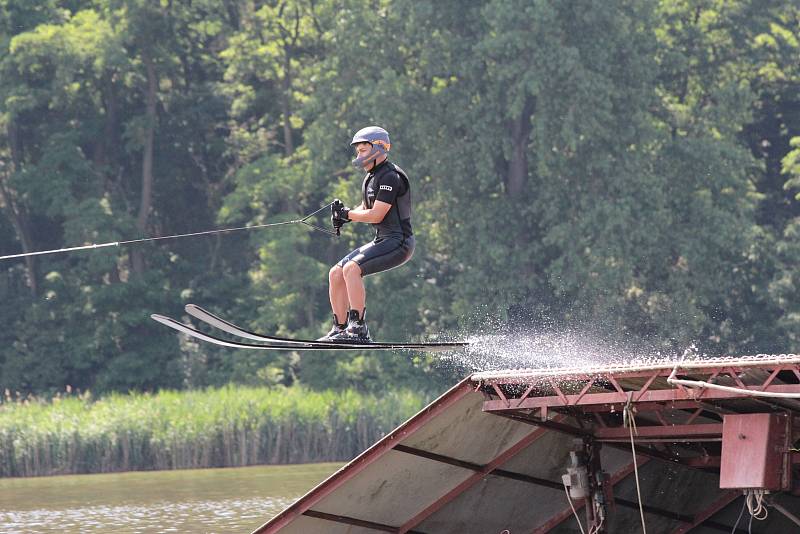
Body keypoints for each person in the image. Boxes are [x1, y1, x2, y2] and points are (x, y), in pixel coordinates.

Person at [320, 126, 415, 342]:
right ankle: (340, 328)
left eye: (363, 150)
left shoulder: (391, 176)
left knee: (352, 269)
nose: (359, 155)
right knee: (336, 273)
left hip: (400, 242)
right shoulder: (371, 177)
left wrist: (348, 214)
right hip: (383, 239)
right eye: (358, 151)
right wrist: (344, 215)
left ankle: (359, 329)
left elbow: (376, 215)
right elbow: (365, 206)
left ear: (379, 148)